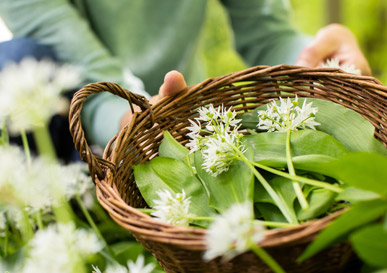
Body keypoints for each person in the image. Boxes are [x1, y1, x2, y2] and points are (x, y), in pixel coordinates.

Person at [0, 0, 371, 152]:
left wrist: (321, 64)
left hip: (179, 108)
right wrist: (137, 123)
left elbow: (269, 37)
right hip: (74, 124)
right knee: (14, 60)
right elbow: (92, 86)